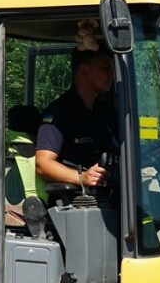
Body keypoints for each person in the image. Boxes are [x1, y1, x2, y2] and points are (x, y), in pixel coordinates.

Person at [34, 45, 118, 192]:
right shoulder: (59, 113)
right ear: (85, 70)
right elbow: (43, 164)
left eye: (112, 69)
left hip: (109, 194)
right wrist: (82, 177)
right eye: (105, 69)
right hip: (76, 203)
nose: (112, 75)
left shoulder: (106, 113)